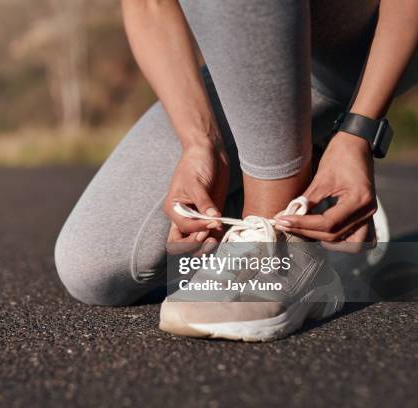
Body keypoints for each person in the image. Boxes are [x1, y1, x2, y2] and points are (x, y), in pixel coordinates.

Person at [54, 0, 418, 340]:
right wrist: (199, 143)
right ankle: (304, 175)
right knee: (93, 268)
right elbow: (148, 4)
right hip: (254, 64)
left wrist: (359, 132)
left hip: (364, 48)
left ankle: (283, 246)